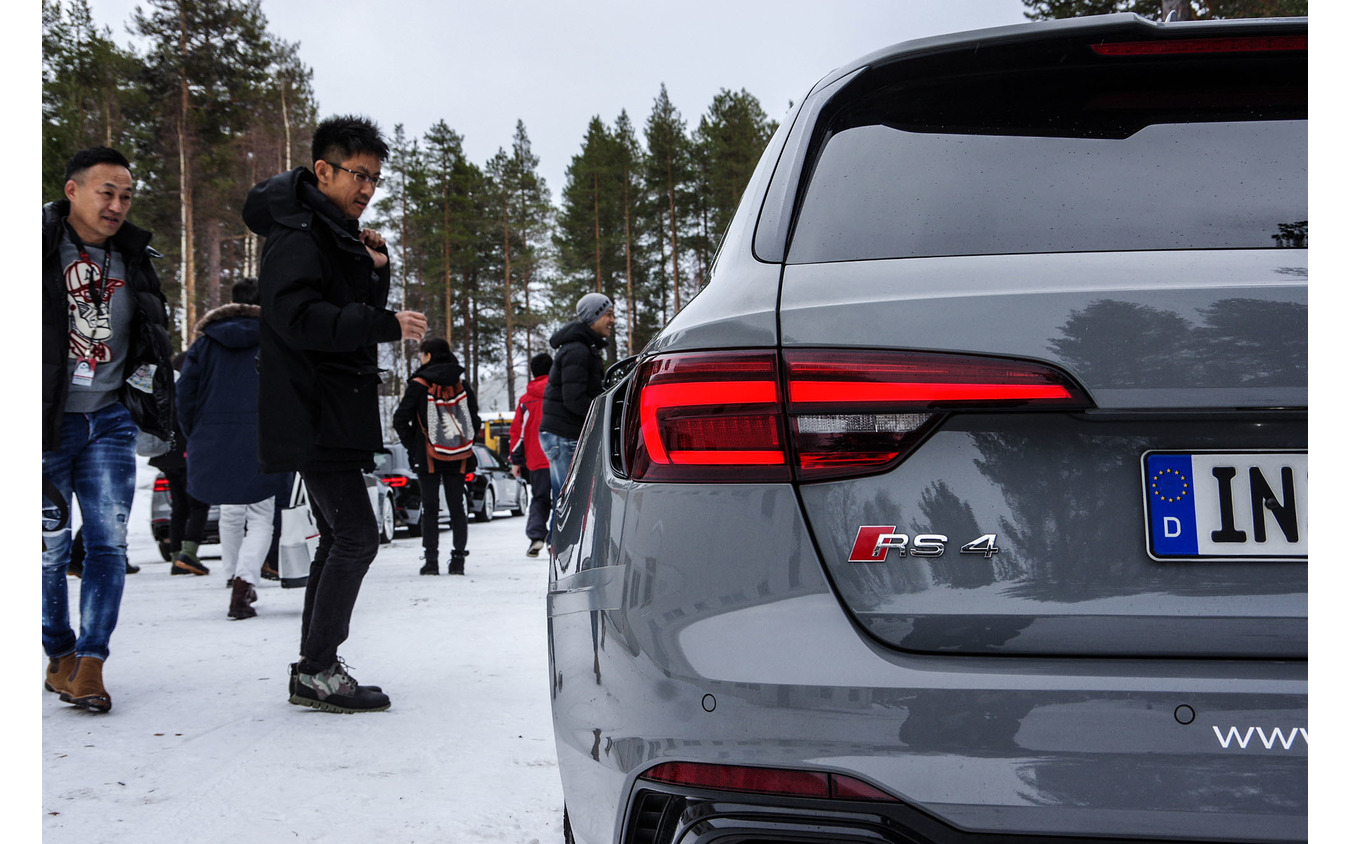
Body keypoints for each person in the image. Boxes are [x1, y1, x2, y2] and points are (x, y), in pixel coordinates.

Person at [243, 115, 427, 713]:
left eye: (375, 178)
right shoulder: (298, 234)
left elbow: (341, 308)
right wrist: (383, 323)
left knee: (339, 539)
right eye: (358, 175)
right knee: (356, 536)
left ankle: (314, 667)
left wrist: (375, 271)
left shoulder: (330, 232)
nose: (368, 189)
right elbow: (298, 321)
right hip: (311, 407)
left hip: (333, 409)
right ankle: (317, 667)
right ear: (322, 170)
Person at [42, 146, 176, 713]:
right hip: (43, 424)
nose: (117, 205)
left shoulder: (135, 257)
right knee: (46, 548)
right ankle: (59, 652)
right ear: (72, 191)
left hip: (111, 421)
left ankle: (92, 663)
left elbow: (152, 330)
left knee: (108, 544)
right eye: (107, 193)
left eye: (126, 195)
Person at [176, 279, 287, 620]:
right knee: (262, 516)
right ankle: (244, 582)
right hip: (264, 436)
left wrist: (195, 433)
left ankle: (230, 574)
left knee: (230, 511)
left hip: (216, 436)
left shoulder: (205, 344)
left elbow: (185, 395)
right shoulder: (275, 338)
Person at [392, 338, 481, 576]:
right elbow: (475, 419)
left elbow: (400, 418)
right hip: (459, 454)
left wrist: (414, 446)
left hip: (427, 455)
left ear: (429, 355)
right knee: (457, 507)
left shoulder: (419, 384)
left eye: (422, 354)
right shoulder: (461, 383)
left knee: (429, 508)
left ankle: (431, 561)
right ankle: (458, 560)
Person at [539, 293, 614, 513]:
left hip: (561, 434)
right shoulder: (578, 350)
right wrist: (604, 415)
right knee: (571, 504)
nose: (612, 320)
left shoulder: (583, 347)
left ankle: (561, 546)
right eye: (608, 315)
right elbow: (575, 400)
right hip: (564, 435)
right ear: (594, 316)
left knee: (565, 502)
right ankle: (566, 547)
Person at [150, 351, 213, 576]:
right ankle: (189, 553)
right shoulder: (189, 389)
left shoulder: (166, 388)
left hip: (167, 455)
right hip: (188, 454)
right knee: (199, 504)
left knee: (179, 507)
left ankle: (177, 556)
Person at [508, 352, 553, 557]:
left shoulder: (526, 400)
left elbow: (518, 433)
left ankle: (536, 536)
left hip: (536, 459)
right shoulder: (559, 394)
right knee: (564, 498)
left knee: (540, 498)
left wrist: (516, 461)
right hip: (561, 455)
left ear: (532, 372)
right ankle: (557, 539)